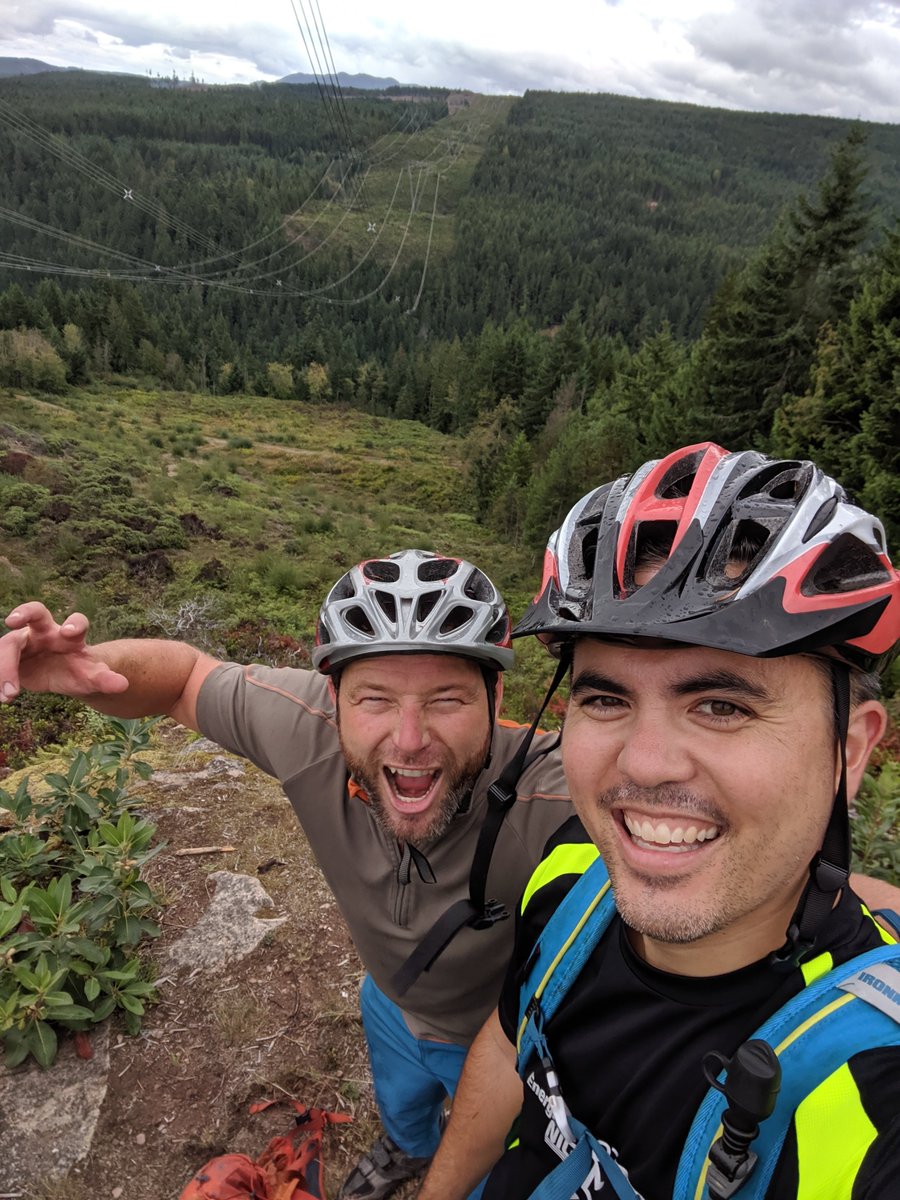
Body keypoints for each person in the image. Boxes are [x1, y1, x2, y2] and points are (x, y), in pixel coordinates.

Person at [0, 549, 570, 1200]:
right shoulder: (307, 732)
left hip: (498, 1041)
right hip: (388, 1000)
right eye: (375, 698)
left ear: (496, 698)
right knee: (403, 1108)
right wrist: (93, 667)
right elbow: (185, 677)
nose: (410, 739)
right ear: (334, 700)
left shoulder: (557, 797)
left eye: (446, 698)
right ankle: (406, 1148)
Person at [417, 443, 900, 1200]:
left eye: (721, 706)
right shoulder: (573, 875)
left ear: (851, 749)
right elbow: (514, 1043)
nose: (643, 766)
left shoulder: (874, 1098)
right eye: (605, 698)